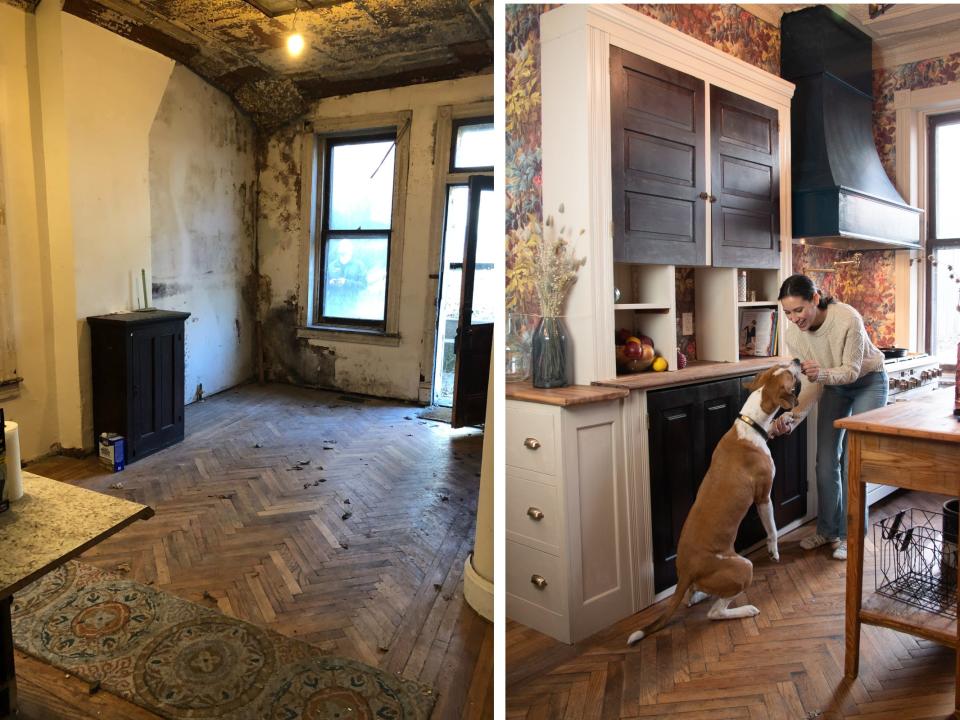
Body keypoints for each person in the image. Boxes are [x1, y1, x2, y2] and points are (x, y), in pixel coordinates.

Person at [769, 274, 888, 561]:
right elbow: (812, 383)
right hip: (833, 385)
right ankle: (827, 530)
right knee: (824, 461)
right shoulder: (793, 335)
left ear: (815, 298)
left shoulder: (847, 319)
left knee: (852, 461)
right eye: (787, 313)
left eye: (799, 310)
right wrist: (791, 417)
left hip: (868, 382)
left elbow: (850, 370)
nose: (794, 318)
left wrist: (820, 374)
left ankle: (851, 535)